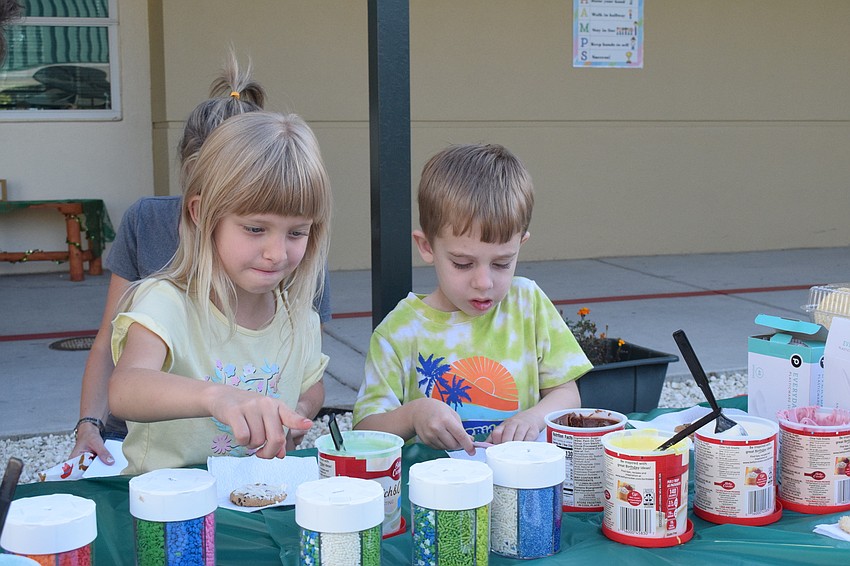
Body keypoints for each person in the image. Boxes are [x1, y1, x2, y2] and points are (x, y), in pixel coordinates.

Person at [70, 52, 331, 465]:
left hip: (257, 500)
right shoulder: (163, 301)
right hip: (170, 511)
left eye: (297, 233)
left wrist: (294, 414)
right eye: (255, 229)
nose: (277, 252)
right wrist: (217, 397)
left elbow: (310, 382)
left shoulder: (300, 316)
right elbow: (126, 388)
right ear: (200, 214)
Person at [353, 143, 592, 455]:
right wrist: (414, 415)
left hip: (520, 481)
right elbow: (364, 430)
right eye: (463, 264)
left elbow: (566, 392)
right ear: (426, 247)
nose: (484, 282)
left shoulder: (527, 302)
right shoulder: (398, 331)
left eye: (502, 263)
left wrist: (533, 417)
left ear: (521, 243)